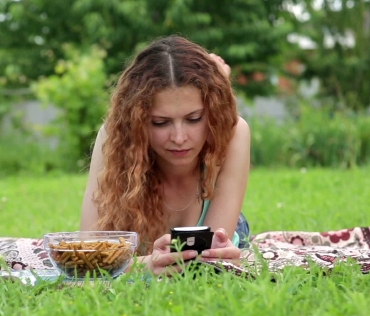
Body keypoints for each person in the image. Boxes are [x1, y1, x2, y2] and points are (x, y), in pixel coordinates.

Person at [80, 35, 251, 276]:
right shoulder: (115, 135)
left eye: (194, 119)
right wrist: (145, 266)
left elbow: (206, 261)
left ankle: (219, 81)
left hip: (231, 226)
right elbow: (87, 256)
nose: (179, 138)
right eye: (160, 123)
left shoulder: (233, 132)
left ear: (211, 114)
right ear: (138, 121)